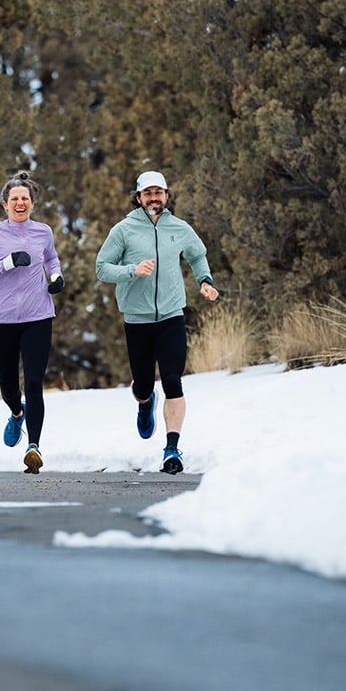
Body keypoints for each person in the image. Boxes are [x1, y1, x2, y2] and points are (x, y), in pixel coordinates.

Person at [94, 170, 219, 474]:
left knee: (174, 380)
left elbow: (197, 255)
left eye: (158, 192)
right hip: (137, 320)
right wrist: (131, 270)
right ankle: (144, 401)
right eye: (147, 193)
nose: (154, 197)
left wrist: (205, 280)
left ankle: (172, 450)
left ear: (166, 195)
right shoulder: (123, 230)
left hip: (171, 315)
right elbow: (102, 268)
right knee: (143, 384)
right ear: (138, 198)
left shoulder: (179, 228)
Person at [0, 171, 64, 474]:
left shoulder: (43, 232)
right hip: (1, 320)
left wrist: (56, 278)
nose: (20, 203)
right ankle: (16, 413)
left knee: (34, 382)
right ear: (4, 204)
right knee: (9, 387)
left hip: (38, 317)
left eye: (25, 199)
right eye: (14, 199)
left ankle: (34, 447)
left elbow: (51, 260)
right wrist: (4, 264)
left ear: (32, 204)